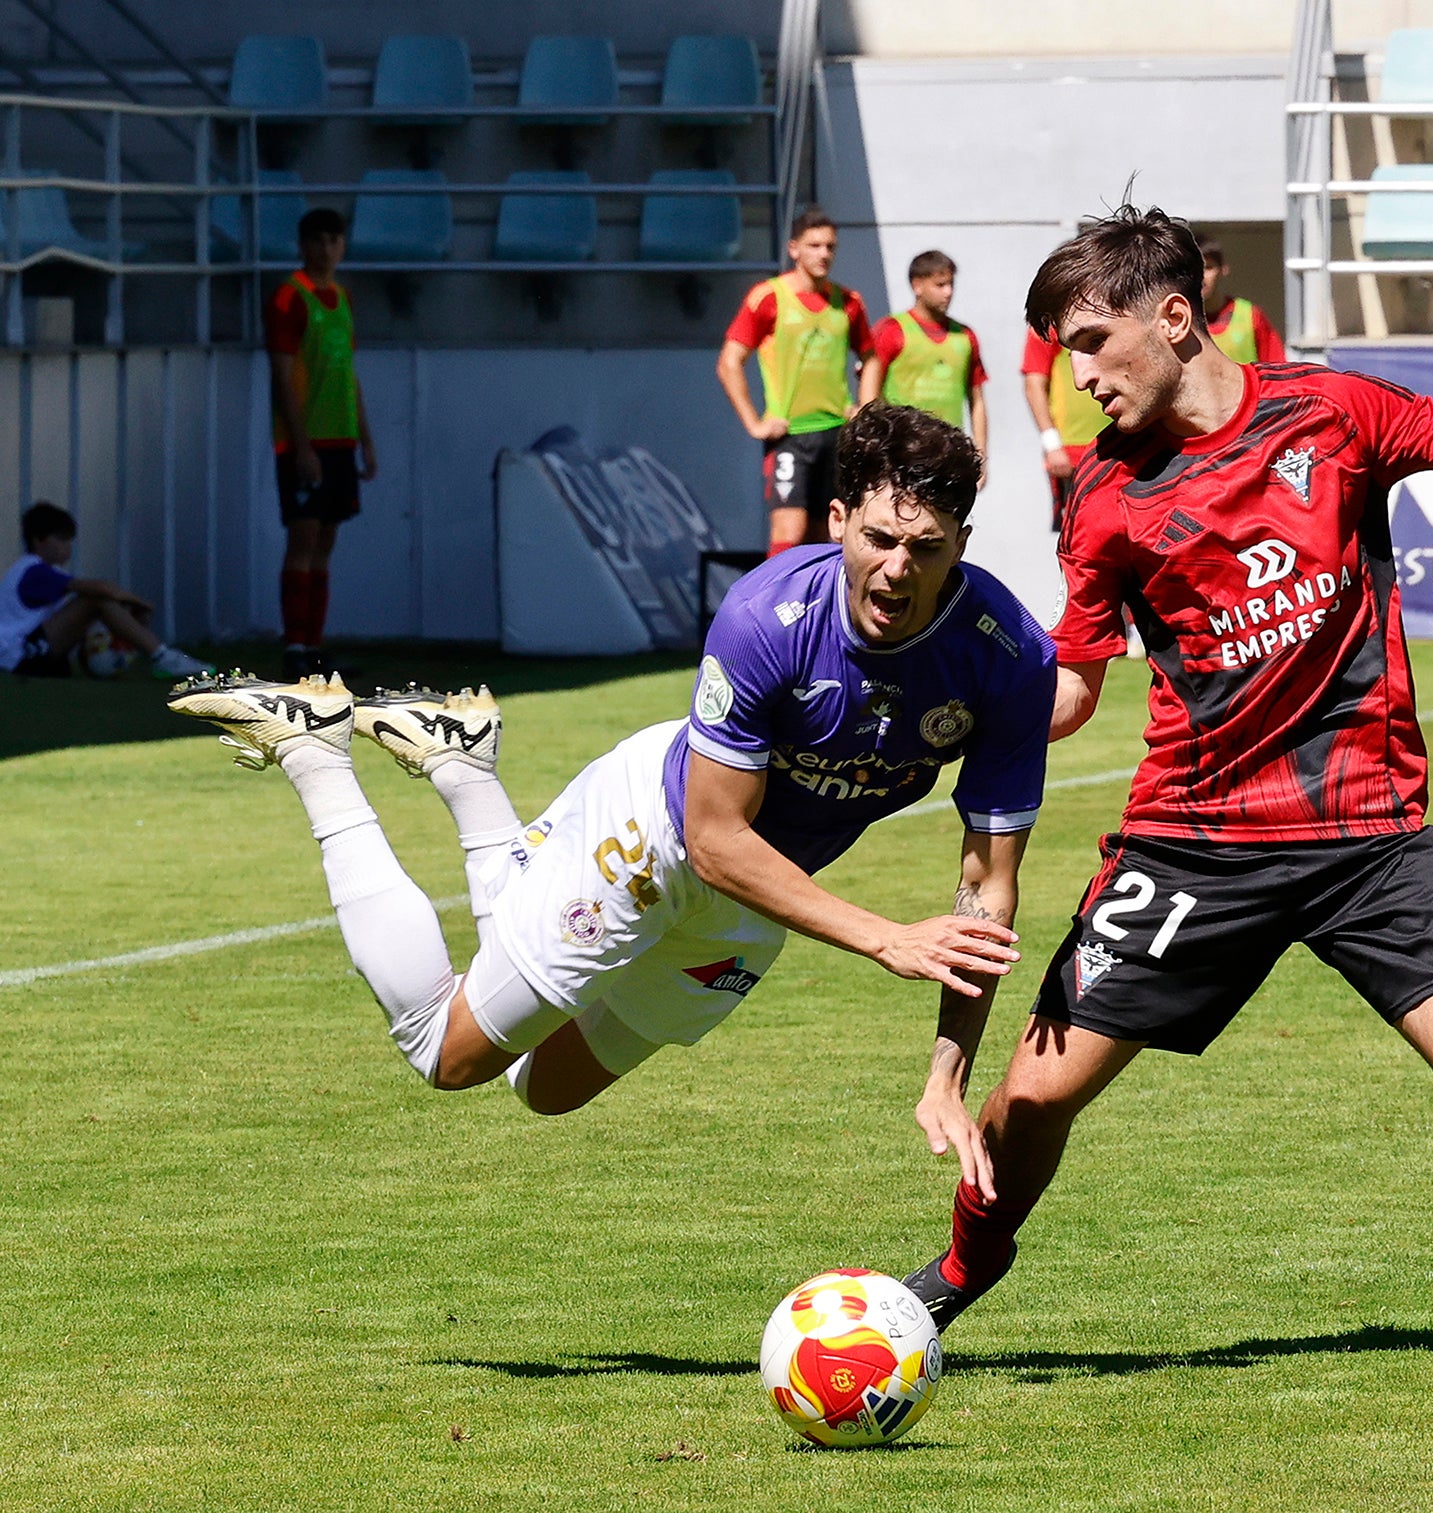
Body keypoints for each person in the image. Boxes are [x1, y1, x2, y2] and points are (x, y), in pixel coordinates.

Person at [905, 206, 1433, 1357]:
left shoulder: (1335, 413)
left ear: (1171, 316)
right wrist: (942, 712)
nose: (1077, 377)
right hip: (1192, 841)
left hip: (1367, 834)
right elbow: (1075, 689)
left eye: (1091, 342)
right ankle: (948, 1280)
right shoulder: (1103, 499)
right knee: (1037, 1100)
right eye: (1061, 354)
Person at [168, 405, 1055, 1175]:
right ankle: (316, 753)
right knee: (451, 1053)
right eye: (879, 539)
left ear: (961, 547)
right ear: (836, 522)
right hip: (656, 839)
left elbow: (988, 889)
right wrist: (882, 936)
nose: (897, 568)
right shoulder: (767, 616)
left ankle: (466, 769)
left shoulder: (1007, 658)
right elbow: (713, 838)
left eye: (925, 548)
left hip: (759, 902)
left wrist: (946, 1073)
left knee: (543, 1087)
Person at [718, 207, 879, 554]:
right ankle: (774, 606)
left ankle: (818, 608)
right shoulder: (769, 297)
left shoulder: (848, 302)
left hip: (836, 433)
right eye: (814, 245)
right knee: (790, 529)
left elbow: (870, 356)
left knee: (829, 533)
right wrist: (754, 422)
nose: (824, 254)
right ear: (794, 248)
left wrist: (864, 409)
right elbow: (730, 362)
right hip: (791, 435)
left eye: (830, 247)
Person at [266, 207, 378, 682]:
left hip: (340, 441)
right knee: (304, 536)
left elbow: (348, 375)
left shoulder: (343, 298)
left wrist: (366, 441)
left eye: (336, 240)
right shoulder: (290, 298)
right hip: (305, 442)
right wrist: (301, 444)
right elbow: (283, 376)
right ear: (304, 245)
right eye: (320, 240)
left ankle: (314, 647)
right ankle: (294, 647)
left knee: (326, 540)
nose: (328, 249)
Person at [1, 502, 209, 678]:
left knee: (95, 608)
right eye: (61, 539)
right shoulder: (34, 571)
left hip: (27, 651)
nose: (67, 547)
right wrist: (139, 603)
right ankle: (164, 657)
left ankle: (137, 655)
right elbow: (99, 588)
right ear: (38, 540)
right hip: (19, 657)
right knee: (94, 601)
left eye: (69, 541)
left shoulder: (35, 570)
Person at [860, 250, 988, 471]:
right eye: (940, 285)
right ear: (917, 285)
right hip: (901, 453)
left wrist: (981, 457)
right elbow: (869, 393)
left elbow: (977, 401)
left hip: (949, 452)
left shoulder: (965, 337)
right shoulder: (891, 330)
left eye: (950, 285)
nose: (948, 292)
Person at [1021, 324, 1109, 531]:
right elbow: (1034, 385)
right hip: (1072, 454)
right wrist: (1052, 445)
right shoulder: (1049, 323)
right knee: (1078, 534)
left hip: (1123, 448)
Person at [1196, 232, 1285, 364]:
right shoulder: (1178, 321)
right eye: (1194, 268)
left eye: (1208, 268)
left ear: (1223, 270)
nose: (1201, 277)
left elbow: (1277, 369)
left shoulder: (1250, 316)